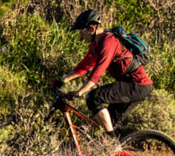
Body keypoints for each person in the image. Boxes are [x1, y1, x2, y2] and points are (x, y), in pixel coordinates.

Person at [52, 8, 153, 136]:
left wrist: (80, 92)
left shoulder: (108, 41)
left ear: (92, 29)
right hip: (128, 84)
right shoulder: (96, 43)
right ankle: (114, 150)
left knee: (94, 97)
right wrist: (63, 80)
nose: (81, 35)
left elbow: (98, 72)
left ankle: (111, 139)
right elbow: (84, 66)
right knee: (101, 130)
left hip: (137, 86)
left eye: (82, 32)